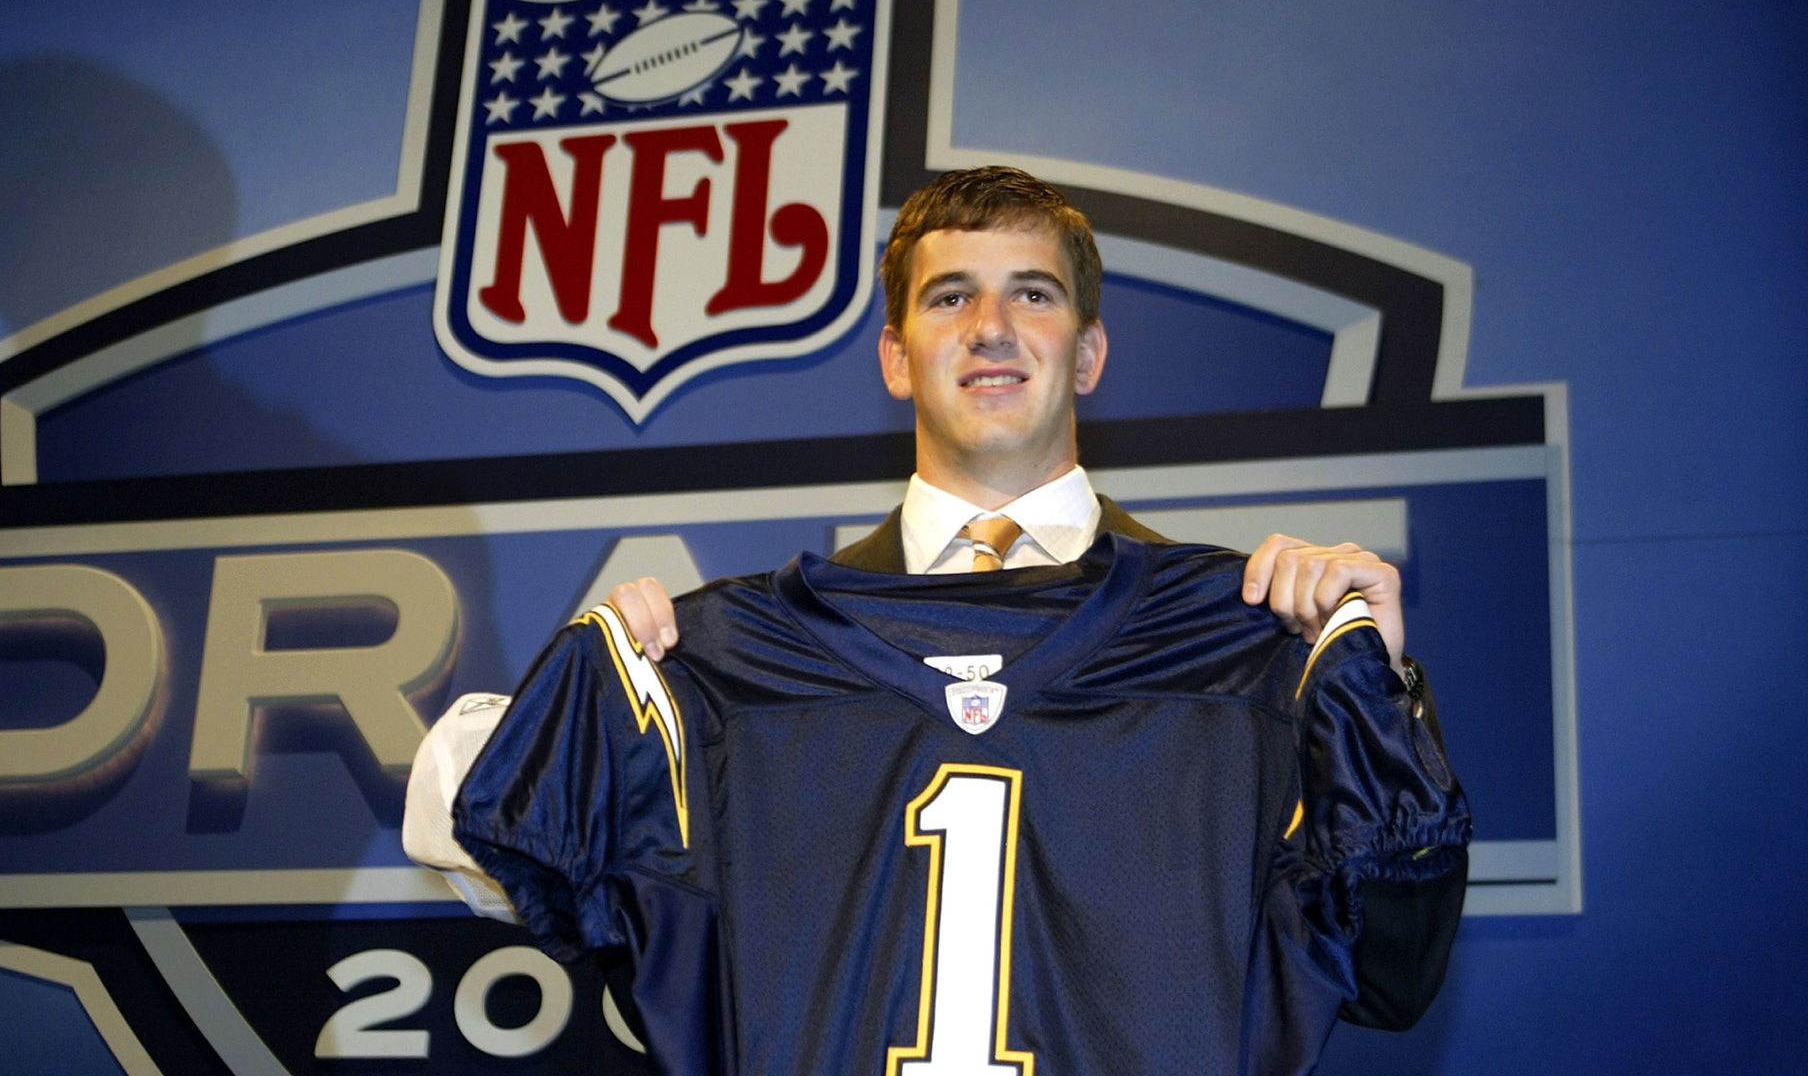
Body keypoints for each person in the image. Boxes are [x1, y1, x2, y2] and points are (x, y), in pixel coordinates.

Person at [421, 167, 1467, 1073]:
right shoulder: (723, 670)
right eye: (951, 296)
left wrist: (1368, 690)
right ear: (896, 355)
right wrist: (606, 702)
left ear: (1089, 352)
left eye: (1032, 294)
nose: (990, 328)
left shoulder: (1251, 643)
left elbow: (1391, 978)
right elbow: (496, 842)